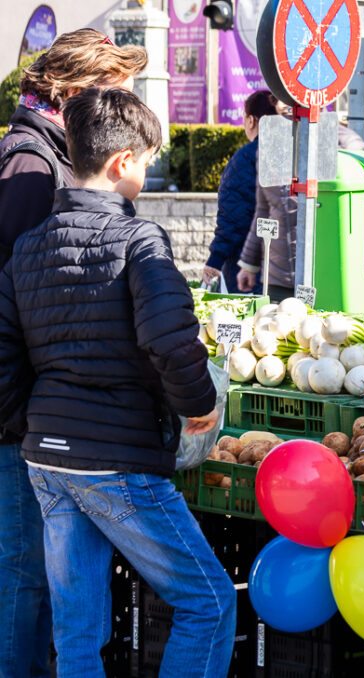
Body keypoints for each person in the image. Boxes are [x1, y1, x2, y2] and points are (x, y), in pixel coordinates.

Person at [0, 87, 236, 678]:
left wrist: (33, 422)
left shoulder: (27, 247)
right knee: (209, 602)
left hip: (47, 459)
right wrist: (200, 408)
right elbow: (171, 341)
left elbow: (4, 356)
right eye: (148, 159)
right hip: (116, 461)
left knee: (76, 634)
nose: (149, 172)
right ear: (123, 161)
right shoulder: (138, 241)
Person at [0, 28, 147, 678]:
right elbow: (27, 296)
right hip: (20, 418)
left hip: (33, 412)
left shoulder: (38, 155)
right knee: (25, 579)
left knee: (39, 578)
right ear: (77, 91)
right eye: (115, 93)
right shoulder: (31, 165)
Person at [236, 109, 364, 300]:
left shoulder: (330, 133)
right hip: (277, 276)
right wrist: (248, 265)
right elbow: (263, 211)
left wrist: (329, 158)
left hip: (321, 274)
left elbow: (357, 149)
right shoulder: (271, 140)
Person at [202, 89, 278, 292]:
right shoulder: (295, 153)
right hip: (286, 266)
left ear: (252, 120)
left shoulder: (245, 158)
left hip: (247, 267)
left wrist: (215, 260)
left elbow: (234, 217)